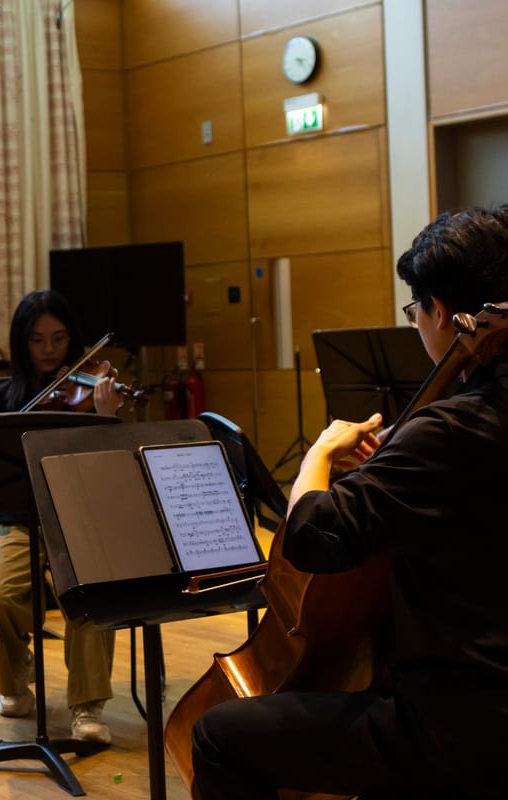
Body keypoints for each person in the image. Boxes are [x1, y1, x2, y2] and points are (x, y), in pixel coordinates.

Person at [191, 204, 508, 800]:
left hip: (463, 726)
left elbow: (313, 534)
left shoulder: (448, 432)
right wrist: (398, 466)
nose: (419, 324)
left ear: (441, 311)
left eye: (416, 311)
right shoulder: (456, 430)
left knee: (218, 736)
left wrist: (318, 455)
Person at [0, 289, 124, 743]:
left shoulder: (91, 392)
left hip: (76, 520)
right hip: (17, 521)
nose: (50, 351)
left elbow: (113, 472)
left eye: (59, 338)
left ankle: (87, 706)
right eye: (38, 340)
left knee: (89, 593)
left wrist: (107, 419)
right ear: (20, 343)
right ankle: (16, 678)